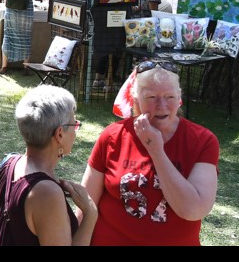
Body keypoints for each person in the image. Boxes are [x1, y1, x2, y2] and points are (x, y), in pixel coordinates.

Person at [81, 61, 219, 246]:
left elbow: (193, 210)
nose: (162, 105)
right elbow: (86, 204)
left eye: (170, 97)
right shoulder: (113, 135)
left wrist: (156, 151)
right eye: (152, 97)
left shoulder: (203, 141)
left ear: (179, 98)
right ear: (135, 99)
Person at [0, 85, 97, 246]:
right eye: (74, 123)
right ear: (59, 134)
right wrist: (90, 214)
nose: (76, 129)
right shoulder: (47, 193)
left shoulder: (10, 163)